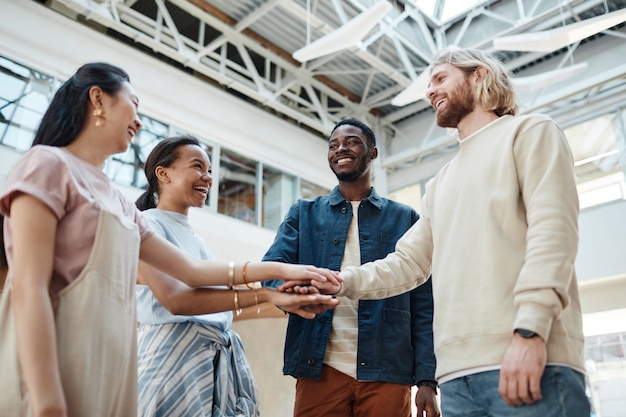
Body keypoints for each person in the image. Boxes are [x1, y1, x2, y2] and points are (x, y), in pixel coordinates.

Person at [0, 62, 340, 417]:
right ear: (98, 99)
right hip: (54, 357)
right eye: (133, 103)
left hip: (112, 365)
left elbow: (191, 271)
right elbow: (28, 286)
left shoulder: (119, 202)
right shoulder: (47, 164)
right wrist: (47, 400)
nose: (140, 121)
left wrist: (282, 274)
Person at [288, 47, 590, 417]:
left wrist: (531, 330)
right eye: (428, 85)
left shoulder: (530, 133)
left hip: (529, 356)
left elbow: (553, 235)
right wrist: (340, 281)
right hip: (458, 377)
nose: (430, 91)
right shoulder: (442, 181)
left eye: (440, 78)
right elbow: (407, 264)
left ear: (479, 75)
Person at [135, 134, 338, 417]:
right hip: (171, 359)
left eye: (209, 171)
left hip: (210, 360)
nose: (207, 178)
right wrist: (275, 281)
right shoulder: (146, 224)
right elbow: (178, 301)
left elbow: (215, 305)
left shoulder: (196, 238)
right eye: (197, 167)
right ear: (163, 173)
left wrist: (283, 299)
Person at [263, 118, 439, 417]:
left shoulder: (405, 218)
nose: (340, 148)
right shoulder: (303, 213)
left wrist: (427, 379)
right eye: (333, 145)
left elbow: (424, 304)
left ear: (373, 152)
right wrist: (292, 294)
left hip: (388, 370)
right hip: (319, 368)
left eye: (352, 141)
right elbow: (271, 272)